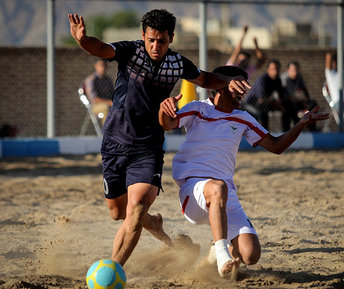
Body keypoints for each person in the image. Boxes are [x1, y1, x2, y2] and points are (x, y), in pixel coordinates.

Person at [68, 9, 251, 267]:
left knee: (137, 207)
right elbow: (101, 48)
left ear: (171, 38)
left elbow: (205, 78)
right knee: (118, 213)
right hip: (114, 142)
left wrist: (227, 82)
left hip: (148, 147)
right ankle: (155, 224)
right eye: (151, 39)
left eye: (162, 41)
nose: (156, 46)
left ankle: (113, 269)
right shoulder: (130, 51)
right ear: (143, 35)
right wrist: (82, 41)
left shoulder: (177, 63)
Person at [158, 65, 329, 278]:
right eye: (238, 86)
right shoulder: (199, 109)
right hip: (193, 191)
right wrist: (163, 110)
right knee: (217, 187)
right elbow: (168, 124)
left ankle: (213, 256)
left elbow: (276, 146)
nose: (243, 91)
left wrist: (301, 124)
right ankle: (222, 253)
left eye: (245, 86)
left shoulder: (243, 118)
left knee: (251, 255)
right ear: (220, 87)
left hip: (224, 194)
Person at [243, 59, 286, 131]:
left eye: (277, 69)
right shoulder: (262, 79)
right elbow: (261, 99)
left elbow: (280, 97)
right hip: (251, 104)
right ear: (268, 70)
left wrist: (280, 105)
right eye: (273, 69)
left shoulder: (277, 80)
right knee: (262, 111)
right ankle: (263, 133)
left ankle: (285, 131)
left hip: (266, 103)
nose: (276, 71)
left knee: (287, 108)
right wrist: (276, 103)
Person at [281, 61, 318, 132]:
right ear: (288, 70)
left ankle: (312, 128)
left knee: (313, 105)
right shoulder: (284, 79)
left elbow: (304, 90)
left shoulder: (299, 77)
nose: (295, 72)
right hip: (286, 101)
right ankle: (287, 131)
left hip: (296, 100)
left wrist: (307, 100)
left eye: (296, 70)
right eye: (293, 70)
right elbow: (282, 94)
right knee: (289, 107)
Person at [84, 58, 114, 125]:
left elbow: (113, 94)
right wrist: (109, 102)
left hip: (110, 104)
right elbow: (94, 99)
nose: (103, 67)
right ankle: (107, 133)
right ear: (96, 66)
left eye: (105, 65)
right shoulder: (92, 80)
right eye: (101, 65)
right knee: (105, 107)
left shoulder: (108, 80)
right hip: (95, 106)